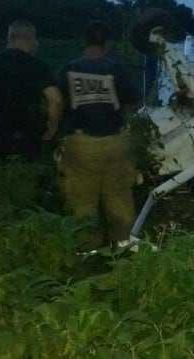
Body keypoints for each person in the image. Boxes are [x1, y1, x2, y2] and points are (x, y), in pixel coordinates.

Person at [56, 20, 142, 250]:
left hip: (81, 145)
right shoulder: (116, 68)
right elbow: (136, 100)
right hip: (115, 142)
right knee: (120, 200)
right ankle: (125, 255)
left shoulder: (68, 68)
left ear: (85, 42)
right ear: (107, 43)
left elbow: (56, 101)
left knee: (82, 204)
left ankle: (88, 257)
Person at [0, 20, 62, 160]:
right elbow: (55, 98)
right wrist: (52, 128)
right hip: (27, 138)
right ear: (32, 38)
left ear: (9, 38)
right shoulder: (37, 66)